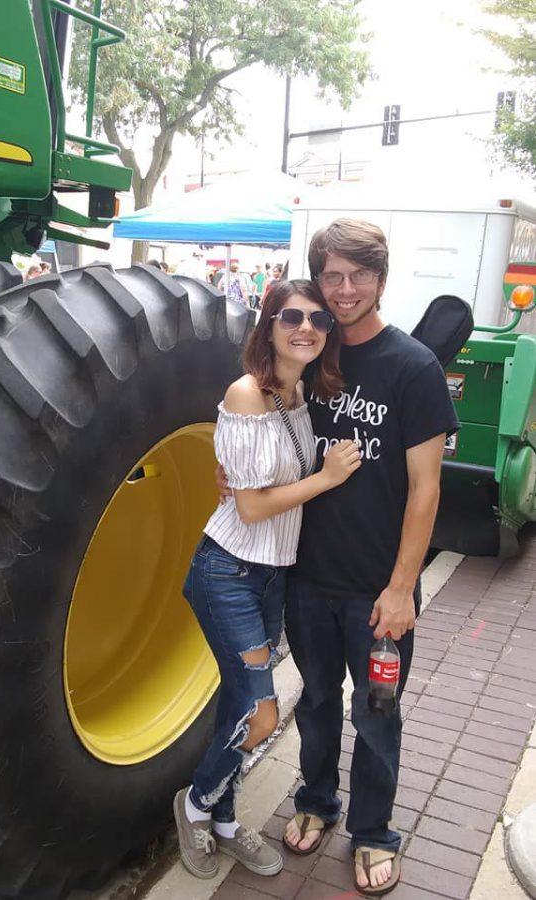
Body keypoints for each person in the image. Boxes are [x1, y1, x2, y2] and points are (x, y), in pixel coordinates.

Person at [219, 219, 458, 896]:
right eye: (331, 276)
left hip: (376, 590)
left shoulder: (412, 368)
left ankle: (375, 831)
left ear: (379, 279)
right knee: (319, 703)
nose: (344, 290)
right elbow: (259, 429)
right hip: (308, 579)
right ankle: (316, 801)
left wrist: (402, 587)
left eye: (358, 276)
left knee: (377, 712)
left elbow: (425, 487)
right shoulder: (310, 355)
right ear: (316, 281)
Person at [174, 279, 362, 881]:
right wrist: (328, 477)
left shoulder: (298, 392)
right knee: (259, 713)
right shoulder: (248, 393)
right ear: (268, 326)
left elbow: (254, 475)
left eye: (318, 320)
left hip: (272, 577)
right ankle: (196, 805)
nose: (307, 327)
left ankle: (226, 823)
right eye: (292, 317)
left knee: (237, 701)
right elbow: (252, 508)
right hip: (228, 570)